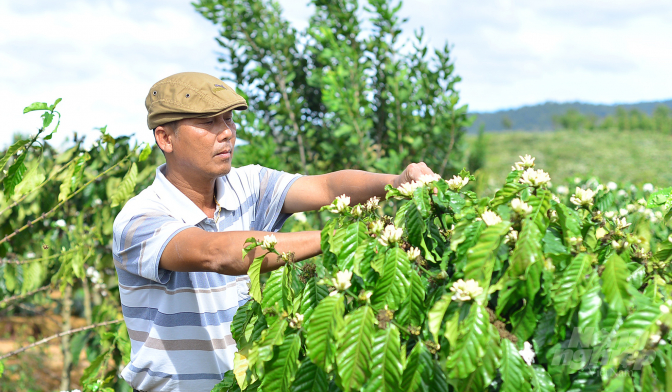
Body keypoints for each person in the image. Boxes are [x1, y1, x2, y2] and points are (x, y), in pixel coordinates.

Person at [112, 72, 436, 392]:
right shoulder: (139, 220)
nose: (226, 133)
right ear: (165, 138)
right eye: (209, 122)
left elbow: (326, 186)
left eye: (229, 120)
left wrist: (394, 182)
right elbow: (218, 254)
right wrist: (336, 237)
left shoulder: (248, 185)